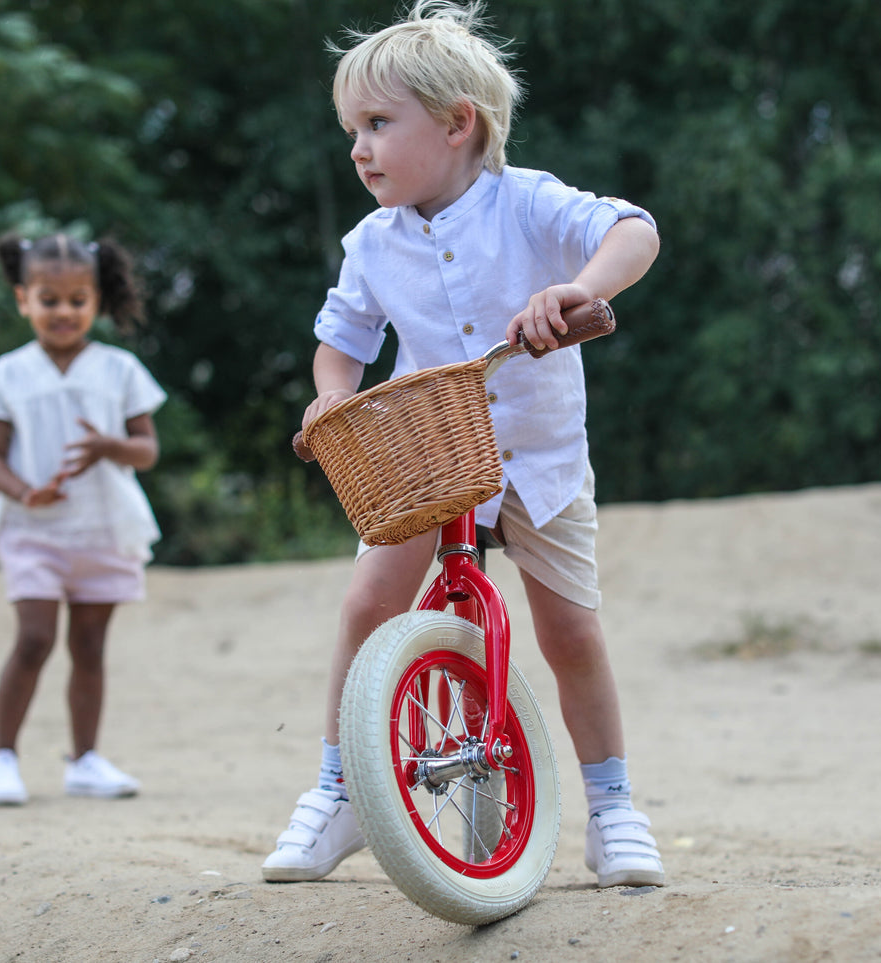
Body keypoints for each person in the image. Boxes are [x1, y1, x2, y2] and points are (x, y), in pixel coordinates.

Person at [261, 0, 665, 888]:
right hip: (424, 454)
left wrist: (574, 289)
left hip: (539, 456)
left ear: (455, 125)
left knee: (568, 630)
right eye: (350, 130)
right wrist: (333, 397)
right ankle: (337, 791)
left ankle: (612, 809)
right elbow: (342, 339)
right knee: (368, 607)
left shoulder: (525, 204)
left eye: (375, 124)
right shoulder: (371, 243)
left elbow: (633, 230)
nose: (358, 148)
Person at [0, 231, 165, 806]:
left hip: (105, 528)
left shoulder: (120, 369)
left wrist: (109, 446)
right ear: (22, 299)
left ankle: (85, 760)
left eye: (78, 300)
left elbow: (147, 451)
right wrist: (24, 492)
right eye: (48, 300)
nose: (63, 312)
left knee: (90, 647)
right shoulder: (6, 374)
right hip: (33, 532)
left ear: (97, 301)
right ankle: (1, 757)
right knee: (33, 639)